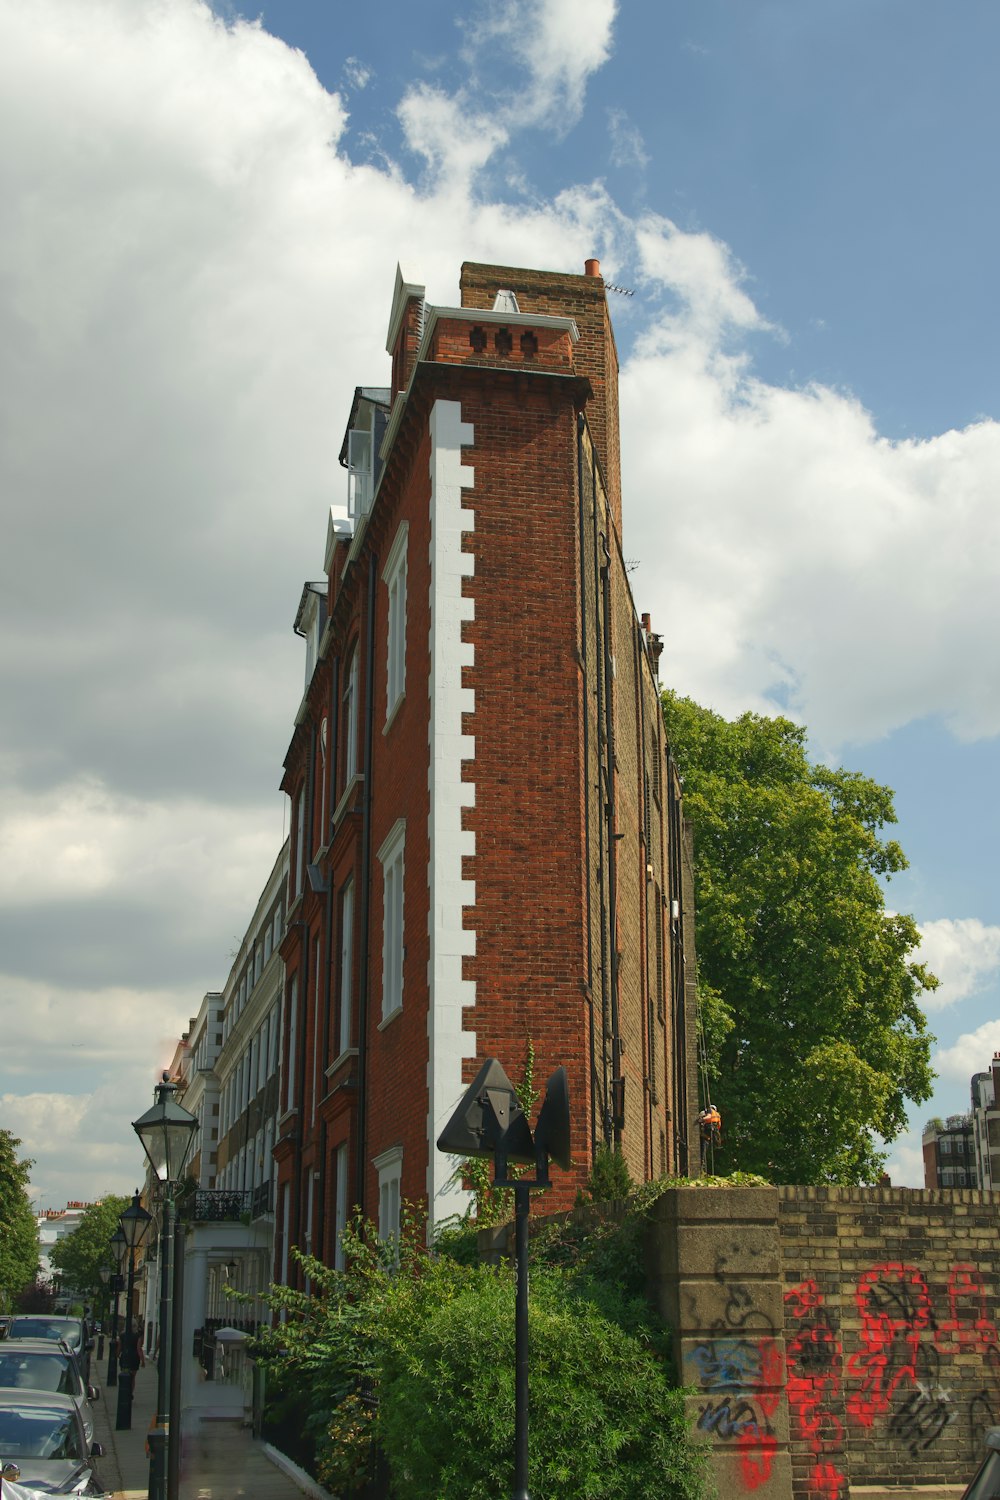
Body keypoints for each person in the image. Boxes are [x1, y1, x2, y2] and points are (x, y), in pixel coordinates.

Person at [117, 1318, 145, 1394]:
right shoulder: (137, 1336)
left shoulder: (122, 1335)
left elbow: (119, 1347)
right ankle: (130, 1393)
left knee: (124, 1374)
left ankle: (124, 1390)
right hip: (134, 1358)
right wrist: (142, 1360)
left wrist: (117, 1355)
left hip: (125, 1357)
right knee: (132, 1377)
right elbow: (139, 1349)